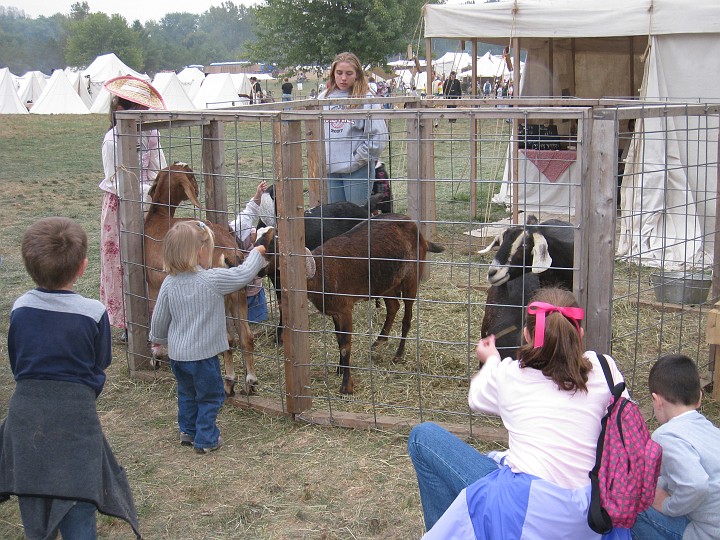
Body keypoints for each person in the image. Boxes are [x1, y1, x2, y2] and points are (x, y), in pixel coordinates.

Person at [408, 287, 631, 539]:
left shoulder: (511, 375)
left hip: (527, 511)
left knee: (422, 437)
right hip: (594, 511)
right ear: (579, 333)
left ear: (526, 334)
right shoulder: (605, 368)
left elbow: (476, 398)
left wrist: (491, 360)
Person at [0, 217, 141, 539]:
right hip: (75, 418)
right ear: (83, 267)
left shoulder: (20, 307)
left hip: (25, 415)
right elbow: (100, 362)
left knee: (33, 491)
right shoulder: (92, 312)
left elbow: (18, 362)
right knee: (78, 490)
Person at [149, 220, 272, 453]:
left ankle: (187, 431)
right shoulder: (212, 280)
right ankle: (206, 439)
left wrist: (160, 340)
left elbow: (158, 321)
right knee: (210, 396)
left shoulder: (168, 284)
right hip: (203, 358)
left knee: (187, 393)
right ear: (202, 252)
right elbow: (243, 274)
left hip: (178, 357)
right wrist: (257, 252)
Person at [99, 75, 167, 337]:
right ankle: (129, 323)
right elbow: (115, 180)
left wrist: (156, 190)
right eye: (137, 110)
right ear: (120, 110)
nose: (143, 114)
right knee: (124, 260)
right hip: (121, 206)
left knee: (150, 257)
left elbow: (157, 168)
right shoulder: (111, 140)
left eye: (145, 110)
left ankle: (154, 319)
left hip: (147, 203)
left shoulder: (151, 132)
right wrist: (144, 190)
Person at [632, 354, 720, 540]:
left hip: (705, 533)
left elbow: (697, 485)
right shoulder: (707, 428)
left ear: (657, 401)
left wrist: (667, 505)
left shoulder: (666, 435)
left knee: (632, 507)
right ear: (699, 399)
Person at [320, 52, 388, 205]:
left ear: (357, 74)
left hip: (357, 170)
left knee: (357, 219)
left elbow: (378, 137)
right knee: (334, 220)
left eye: (348, 73)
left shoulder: (367, 99)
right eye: (339, 73)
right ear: (333, 74)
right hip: (330, 171)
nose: (343, 78)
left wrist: (357, 159)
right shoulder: (323, 99)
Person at [228, 180, 274, 323]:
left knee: (259, 318)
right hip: (239, 288)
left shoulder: (245, 227)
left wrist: (258, 195)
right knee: (243, 316)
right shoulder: (236, 232)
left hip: (254, 289)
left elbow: (250, 210)